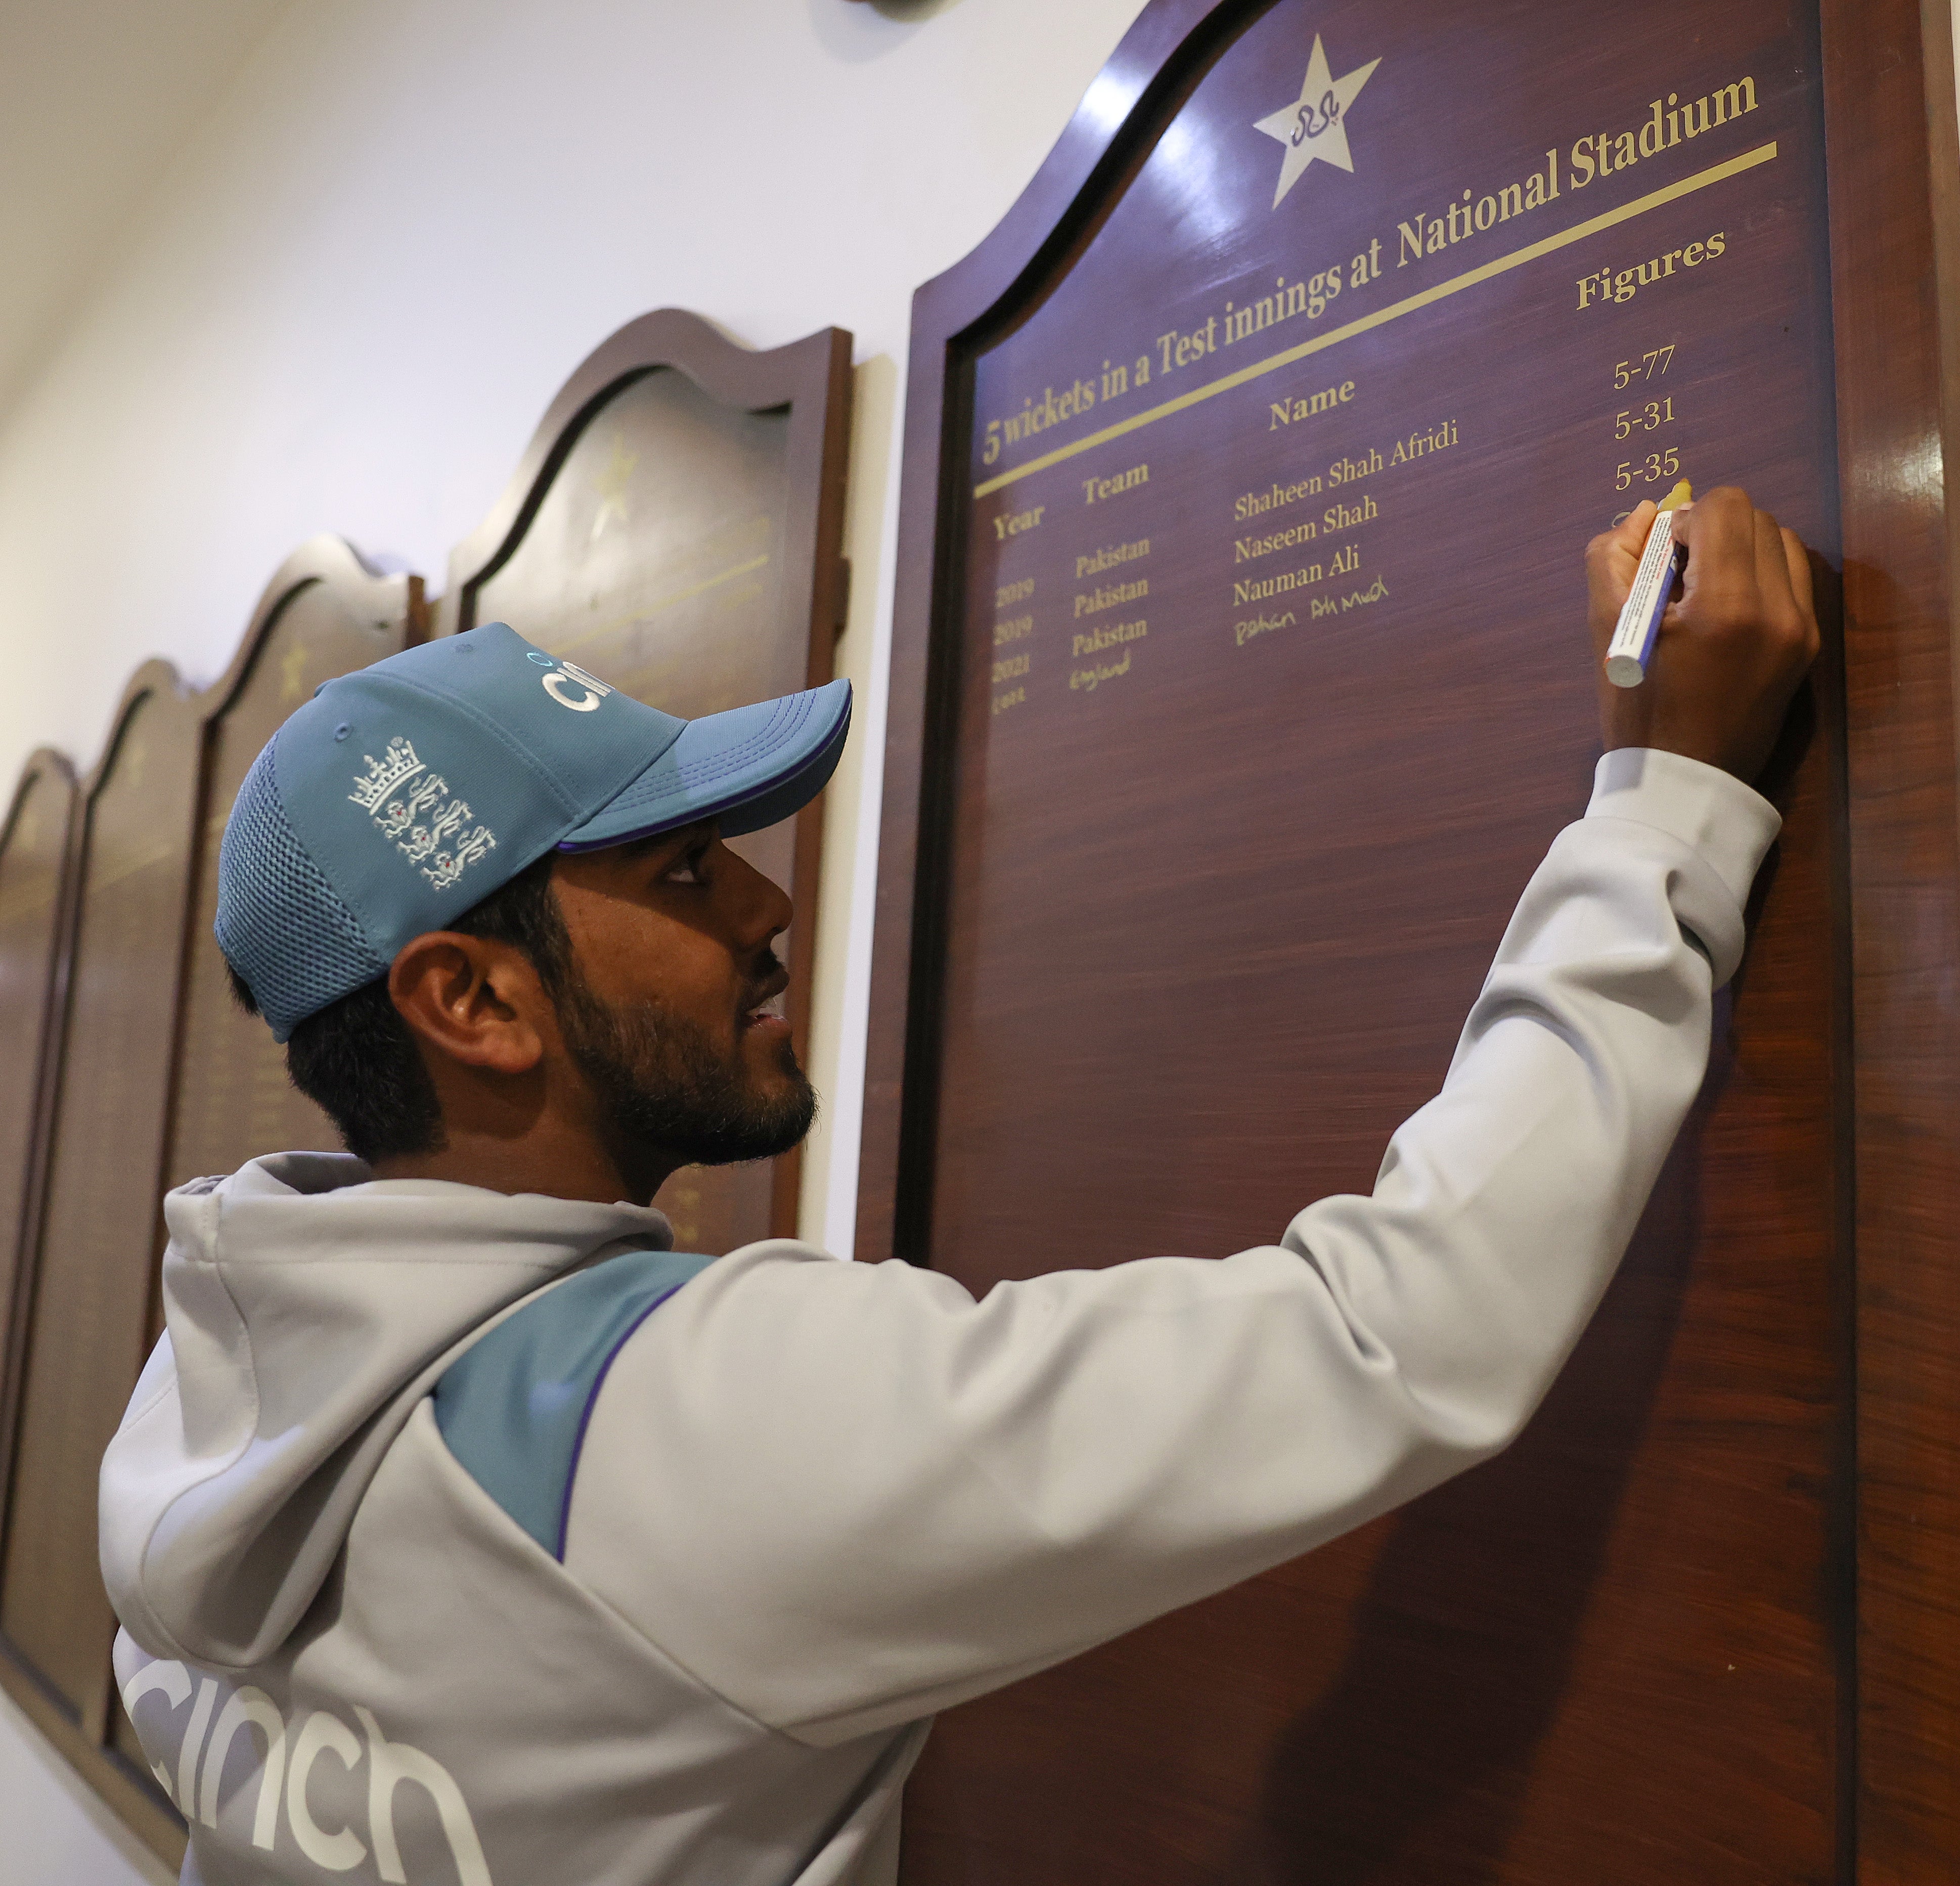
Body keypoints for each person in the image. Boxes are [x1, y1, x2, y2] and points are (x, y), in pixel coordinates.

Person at [98, 488, 1816, 1886]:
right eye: (684, 867)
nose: (767, 912)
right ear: (469, 998)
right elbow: (1397, 1329)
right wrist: (1664, 810)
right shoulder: (668, 1423)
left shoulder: (206, 1402)